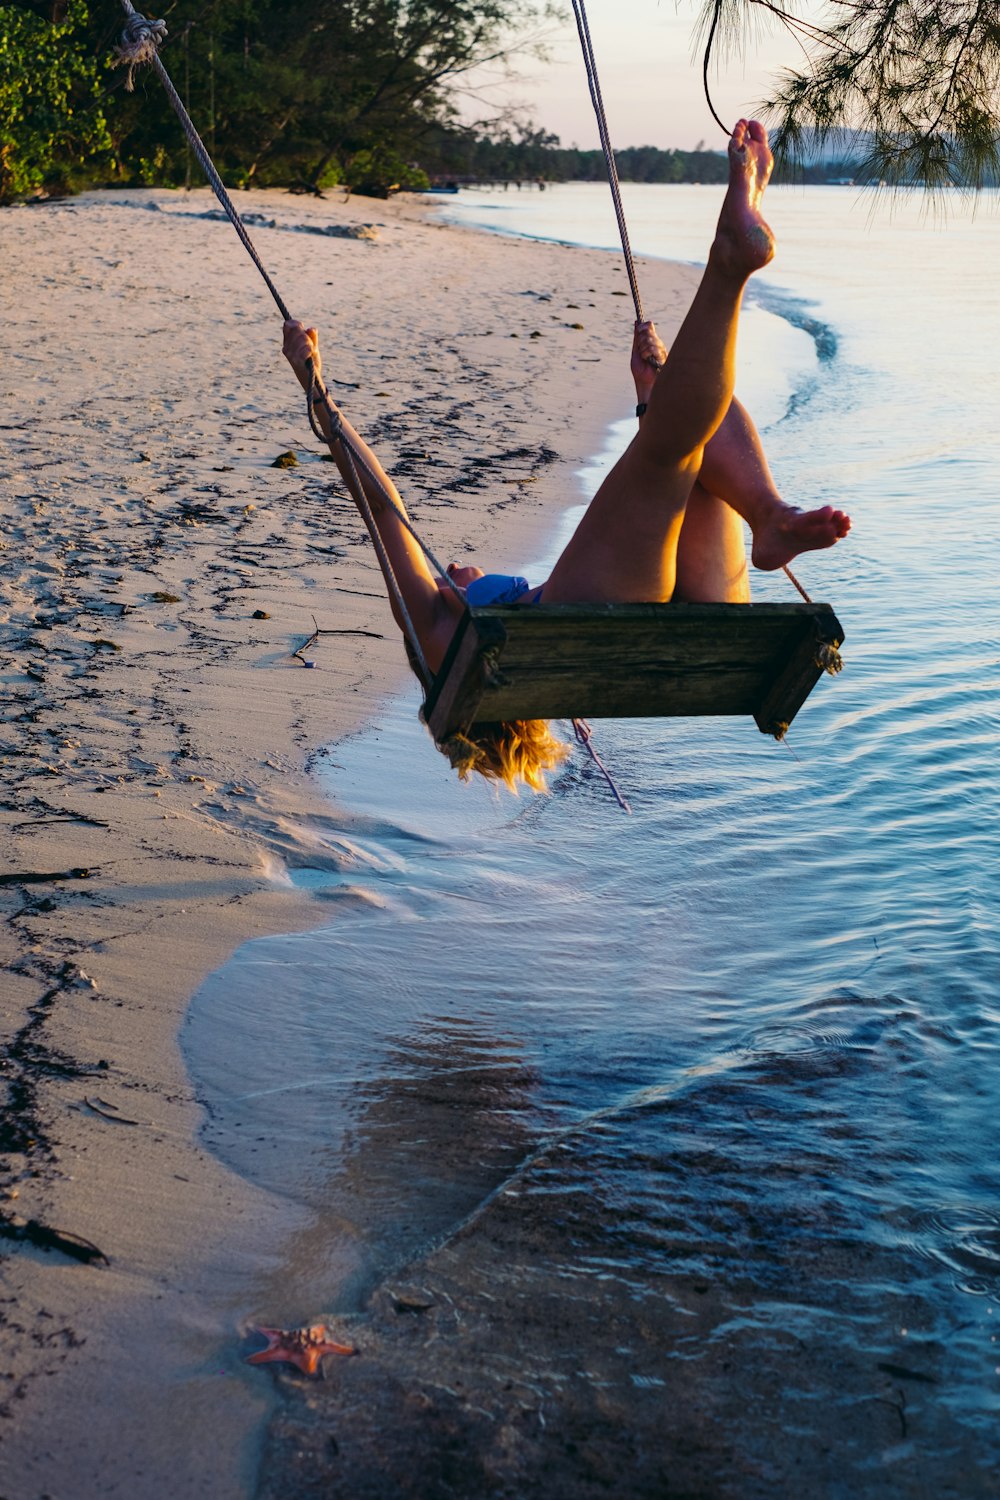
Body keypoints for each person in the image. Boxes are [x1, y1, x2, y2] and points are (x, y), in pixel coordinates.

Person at [283, 120, 851, 791]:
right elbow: (384, 510)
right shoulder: (437, 634)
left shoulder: (516, 667)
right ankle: (729, 264)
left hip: (699, 606)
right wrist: (318, 394)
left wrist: (650, 401)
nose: (461, 569)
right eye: (461, 576)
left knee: (680, 434)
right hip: (630, 601)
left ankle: (770, 517)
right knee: (667, 451)